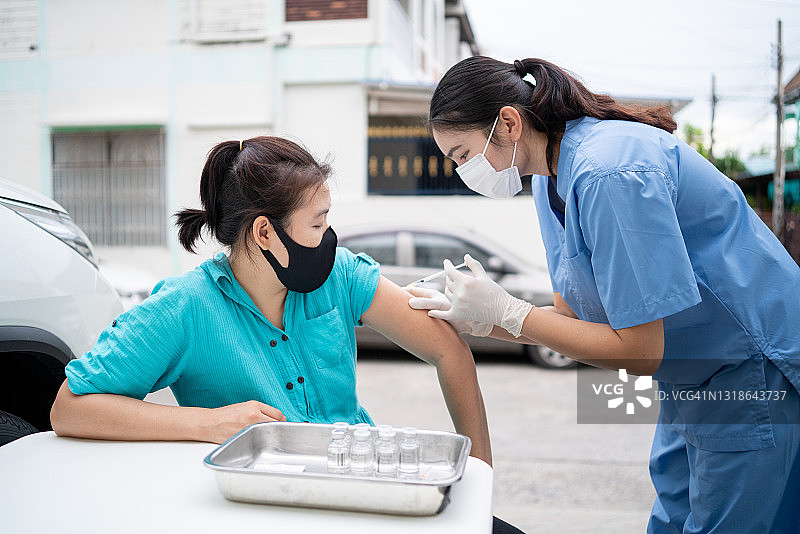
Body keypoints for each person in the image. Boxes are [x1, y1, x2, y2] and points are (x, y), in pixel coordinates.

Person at [409, 56, 800, 533]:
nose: (460, 172)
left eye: (462, 155)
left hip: (747, 369)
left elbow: (638, 351)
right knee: (672, 518)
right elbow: (572, 320)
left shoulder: (607, 173)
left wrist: (509, 312)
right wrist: (478, 319)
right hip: (690, 377)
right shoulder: (546, 181)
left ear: (508, 123)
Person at [49, 136, 491, 468]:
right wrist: (208, 425)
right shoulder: (186, 307)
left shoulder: (341, 274)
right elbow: (69, 408)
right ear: (265, 233)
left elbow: (447, 349)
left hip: (357, 483)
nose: (328, 240)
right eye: (317, 225)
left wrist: (478, 479)